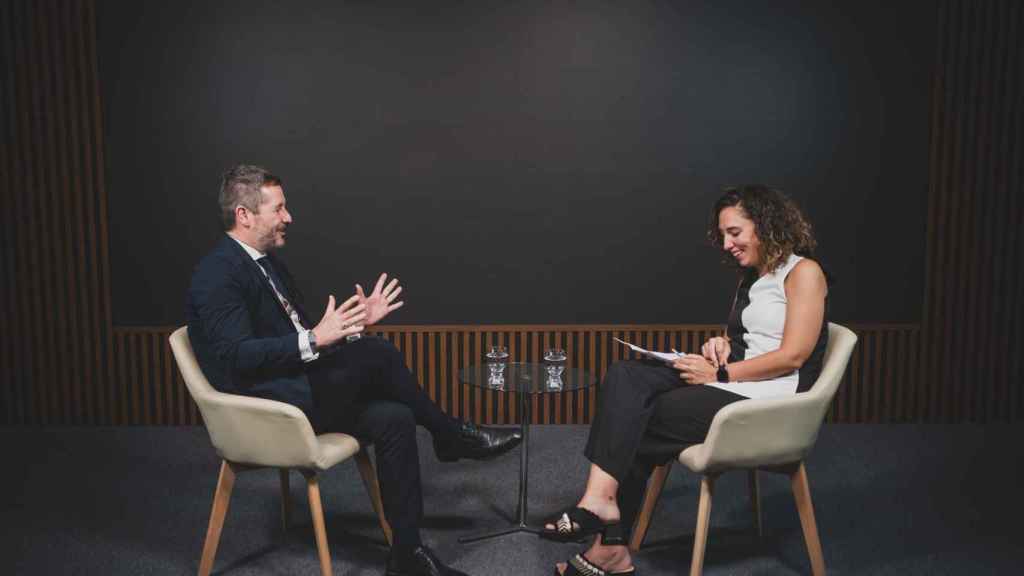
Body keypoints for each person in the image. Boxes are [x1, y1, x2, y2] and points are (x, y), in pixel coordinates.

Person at [186, 165, 522, 576]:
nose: (288, 217)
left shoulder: (266, 263)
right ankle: (449, 434)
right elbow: (237, 356)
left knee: (396, 418)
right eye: (279, 208)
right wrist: (316, 339)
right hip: (266, 407)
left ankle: (407, 555)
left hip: (297, 386)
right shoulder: (217, 272)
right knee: (378, 354)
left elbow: (311, 339)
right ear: (244, 215)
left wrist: (355, 324)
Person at [542, 185, 830, 576]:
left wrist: (720, 372)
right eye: (723, 235)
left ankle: (608, 544)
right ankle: (599, 499)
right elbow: (753, 338)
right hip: (735, 380)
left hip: (770, 398)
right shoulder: (753, 277)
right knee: (626, 377)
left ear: (765, 224)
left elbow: (793, 354)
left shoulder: (804, 273)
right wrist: (722, 344)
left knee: (642, 415)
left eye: (735, 232)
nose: (727, 244)